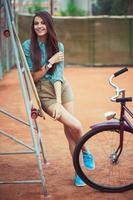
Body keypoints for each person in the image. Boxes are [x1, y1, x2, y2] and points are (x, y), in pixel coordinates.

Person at [22, 11, 95, 187]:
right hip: (45, 93)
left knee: (70, 130)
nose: (39, 26)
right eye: (36, 23)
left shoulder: (58, 46)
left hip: (61, 88)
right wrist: (49, 62)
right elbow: (33, 77)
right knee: (76, 126)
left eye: (42, 23)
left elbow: (58, 76)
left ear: (49, 25)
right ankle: (85, 151)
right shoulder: (27, 46)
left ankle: (79, 173)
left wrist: (60, 104)